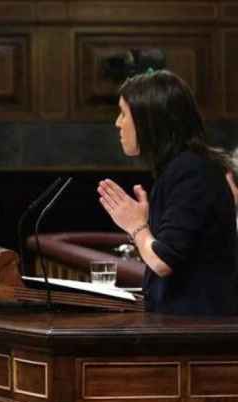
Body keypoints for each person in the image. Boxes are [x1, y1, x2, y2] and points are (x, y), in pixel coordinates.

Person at [97, 70, 238, 315]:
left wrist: (136, 226)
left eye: (123, 113)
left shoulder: (192, 170)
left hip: (200, 333)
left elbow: (163, 262)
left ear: (148, 119)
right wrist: (144, 227)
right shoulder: (180, 168)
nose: (117, 123)